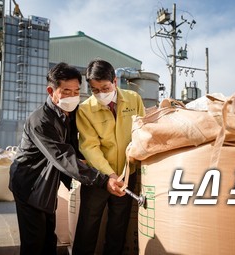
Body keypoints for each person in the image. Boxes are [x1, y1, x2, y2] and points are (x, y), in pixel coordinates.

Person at [9, 62, 125, 255]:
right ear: (51, 91)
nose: (72, 96)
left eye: (76, 91)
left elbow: (74, 146)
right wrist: (102, 179)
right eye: (66, 91)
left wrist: (89, 159)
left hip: (46, 184)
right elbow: (63, 156)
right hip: (29, 183)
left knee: (48, 238)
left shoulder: (69, 114)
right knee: (34, 241)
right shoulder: (40, 121)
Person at [74, 59, 146, 255]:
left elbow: (141, 132)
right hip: (97, 178)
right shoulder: (85, 109)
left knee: (118, 226)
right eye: (95, 90)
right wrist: (109, 175)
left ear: (115, 81)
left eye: (105, 87)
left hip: (126, 176)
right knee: (88, 226)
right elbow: (90, 147)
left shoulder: (133, 99)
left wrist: (130, 169)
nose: (100, 94)